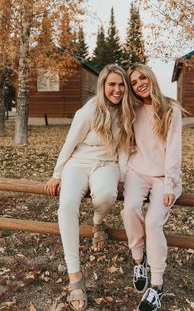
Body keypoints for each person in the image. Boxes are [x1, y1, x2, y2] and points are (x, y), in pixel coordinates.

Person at [45, 64, 135, 311]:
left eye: (120, 85)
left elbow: (124, 151)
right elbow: (69, 143)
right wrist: (57, 174)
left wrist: (124, 178)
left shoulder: (128, 112)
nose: (116, 90)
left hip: (107, 164)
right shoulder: (88, 111)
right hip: (78, 164)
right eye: (111, 85)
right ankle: (75, 276)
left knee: (106, 195)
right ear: (103, 86)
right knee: (67, 206)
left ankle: (97, 223)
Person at [122, 63, 182, 311]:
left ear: (151, 77)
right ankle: (139, 259)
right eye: (134, 82)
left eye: (142, 78)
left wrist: (169, 184)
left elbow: (174, 150)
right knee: (129, 208)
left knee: (153, 222)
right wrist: (120, 175)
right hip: (137, 172)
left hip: (163, 177)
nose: (139, 84)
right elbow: (126, 143)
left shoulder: (171, 108)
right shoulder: (133, 109)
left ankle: (156, 286)